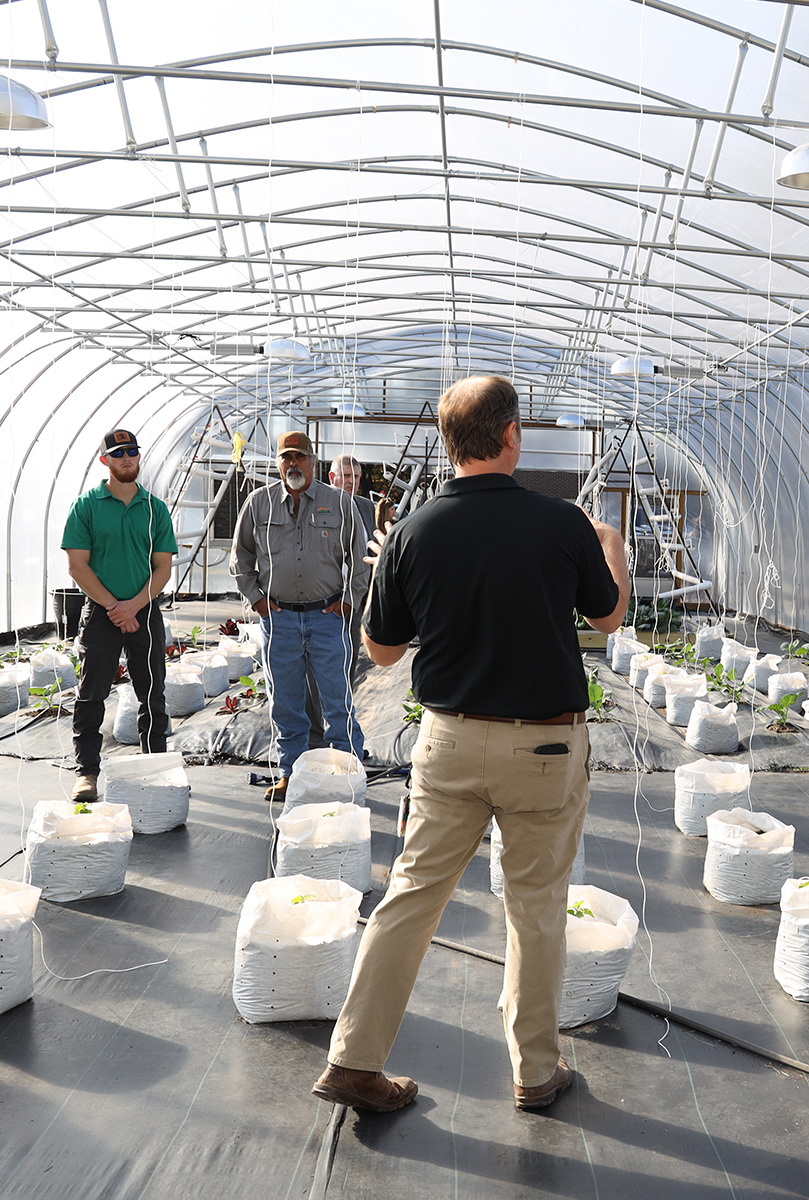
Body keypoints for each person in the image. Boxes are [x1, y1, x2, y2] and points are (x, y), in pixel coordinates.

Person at [314, 374, 628, 1117]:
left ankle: (354, 1059)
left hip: (449, 742)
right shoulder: (561, 525)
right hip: (544, 749)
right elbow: (609, 618)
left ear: (450, 443)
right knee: (535, 908)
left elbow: (381, 652)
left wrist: (391, 570)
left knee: (411, 898)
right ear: (511, 435)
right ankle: (535, 1071)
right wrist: (609, 544)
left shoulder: (417, 531)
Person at [232, 431, 374, 800]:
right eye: (286, 458)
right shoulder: (258, 503)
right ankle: (290, 773)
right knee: (286, 702)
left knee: (337, 700)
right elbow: (240, 558)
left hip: (328, 618)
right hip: (279, 622)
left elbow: (360, 559)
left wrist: (348, 602)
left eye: (300, 457)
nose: (293, 464)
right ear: (278, 463)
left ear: (313, 462)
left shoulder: (339, 503)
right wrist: (257, 599)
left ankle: (347, 773)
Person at [62, 428, 178, 802]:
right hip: (100, 614)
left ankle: (154, 767)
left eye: (132, 452)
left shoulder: (154, 508)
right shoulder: (87, 506)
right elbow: (77, 566)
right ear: (105, 461)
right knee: (90, 693)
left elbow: (163, 567)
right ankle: (87, 772)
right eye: (118, 453)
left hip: (143, 612)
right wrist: (115, 607)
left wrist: (135, 606)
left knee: (152, 692)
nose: (126, 458)